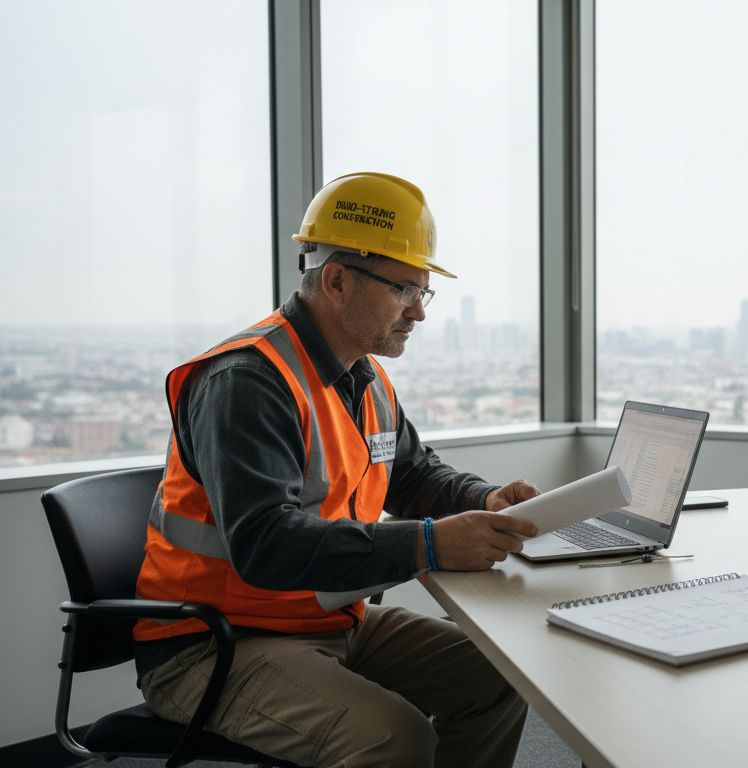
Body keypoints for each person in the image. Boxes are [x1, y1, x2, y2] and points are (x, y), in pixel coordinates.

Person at [133, 171, 542, 768]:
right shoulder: (247, 381)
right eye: (404, 289)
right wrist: (430, 544)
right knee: (395, 738)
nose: (418, 312)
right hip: (212, 643)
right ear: (337, 280)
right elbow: (264, 543)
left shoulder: (364, 378)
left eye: (423, 293)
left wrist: (484, 500)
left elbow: (412, 476)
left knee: (501, 672)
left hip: (325, 620)